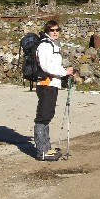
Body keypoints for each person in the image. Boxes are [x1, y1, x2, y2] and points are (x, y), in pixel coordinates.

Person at [33, 20, 73, 161]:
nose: (55, 32)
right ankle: (42, 151)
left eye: (57, 30)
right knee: (43, 117)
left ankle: (46, 147)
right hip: (46, 84)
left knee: (47, 115)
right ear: (47, 31)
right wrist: (64, 72)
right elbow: (47, 67)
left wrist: (64, 73)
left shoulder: (53, 45)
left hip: (52, 84)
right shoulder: (45, 45)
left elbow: (53, 66)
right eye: (52, 30)